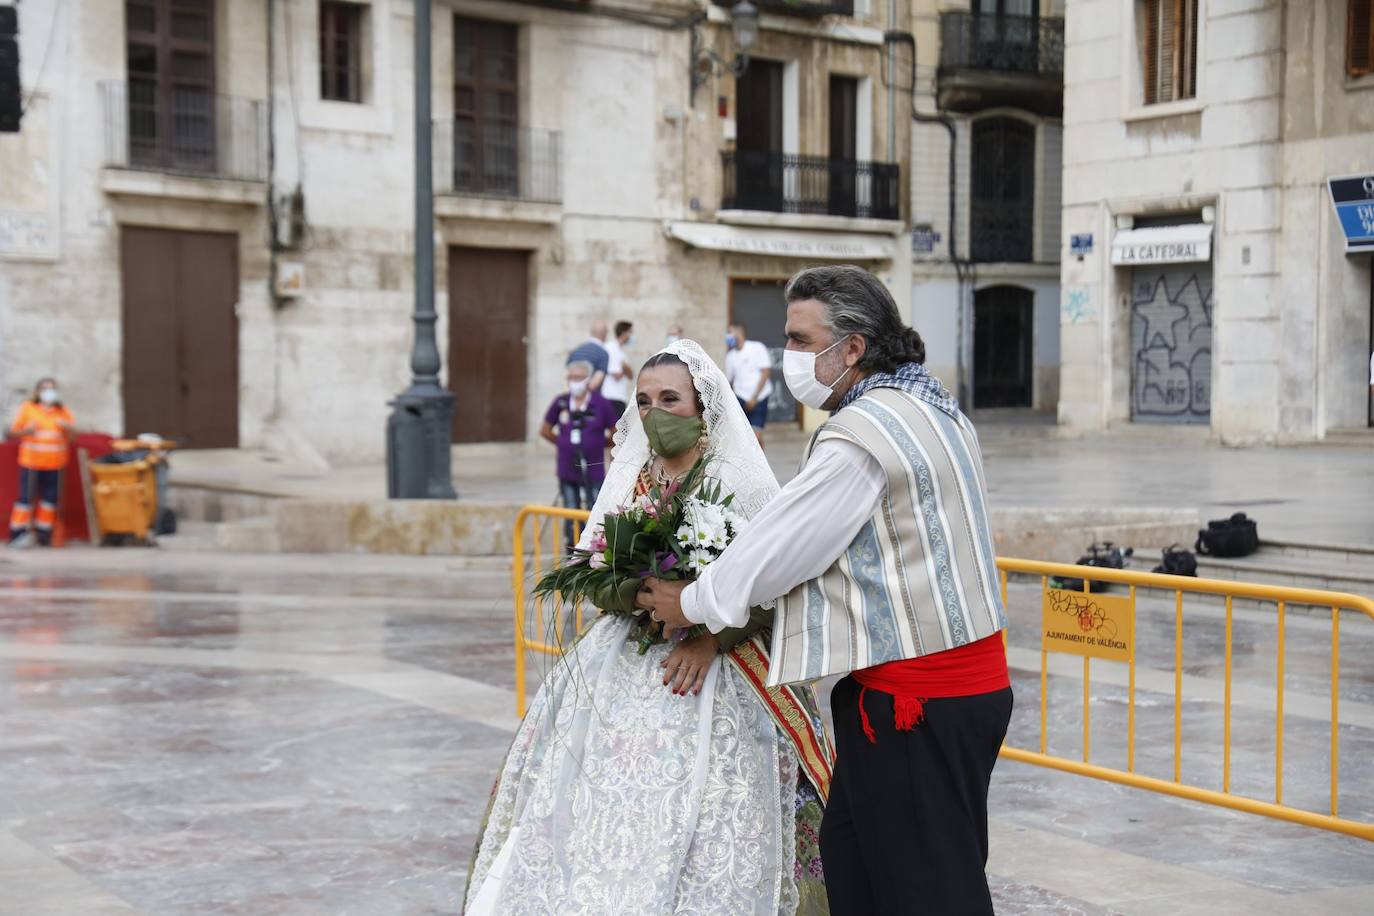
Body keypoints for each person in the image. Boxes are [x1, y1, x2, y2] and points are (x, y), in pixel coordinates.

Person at [644, 266, 1011, 916]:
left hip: (915, 702)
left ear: (852, 348)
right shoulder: (934, 406)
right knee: (858, 866)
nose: (790, 355)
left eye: (799, 338)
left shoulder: (861, 437)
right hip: (951, 689)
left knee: (929, 889)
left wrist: (693, 600)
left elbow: (784, 544)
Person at [465, 340, 833, 916]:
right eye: (643, 400)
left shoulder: (737, 479)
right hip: (628, 657)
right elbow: (590, 569)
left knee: (718, 812)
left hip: (725, 664)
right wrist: (644, 594)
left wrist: (709, 633)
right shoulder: (631, 475)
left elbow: (778, 580)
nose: (655, 412)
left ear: (703, 405)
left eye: (670, 399)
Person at [540, 361, 618, 548]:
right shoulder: (561, 402)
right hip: (567, 468)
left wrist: (601, 444)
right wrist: (562, 443)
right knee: (570, 510)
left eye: (579, 378)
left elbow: (616, 431)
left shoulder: (601, 403)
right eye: (571, 378)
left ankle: (594, 549)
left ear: (588, 380)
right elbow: (545, 429)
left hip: (593, 468)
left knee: (595, 510)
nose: (574, 382)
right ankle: (572, 548)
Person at [7, 378, 76, 548]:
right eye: (45, 389)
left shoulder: (62, 411)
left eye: (52, 389)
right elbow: (13, 432)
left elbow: (73, 437)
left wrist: (68, 428)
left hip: (55, 463)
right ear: (38, 391)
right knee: (25, 499)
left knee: (49, 500)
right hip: (31, 461)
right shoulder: (28, 408)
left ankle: (44, 534)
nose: (49, 392)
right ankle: (17, 533)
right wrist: (27, 430)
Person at [724, 322, 773, 447]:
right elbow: (729, 381)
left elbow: (765, 372)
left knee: (756, 437)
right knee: (742, 438)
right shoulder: (730, 356)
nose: (728, 335)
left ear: (740, 333)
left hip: (759, 398)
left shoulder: (757, 348)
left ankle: (760, 464)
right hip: (740, 398)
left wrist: (754, 398)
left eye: (730, 332)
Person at [601, 320, 635, 417]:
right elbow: (617, 374)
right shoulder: (610, 348)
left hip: (620, 397)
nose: (632, 335)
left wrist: (625, 368)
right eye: (630, 332)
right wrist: (625, 369)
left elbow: (630, 375)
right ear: (624, 333)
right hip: (611, 396)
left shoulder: (622, 353)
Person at [566, 321, 611, 391]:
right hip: (591, 399)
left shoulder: (576, 351)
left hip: (573, 396)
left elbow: (567, 378)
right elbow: (596, 382)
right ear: (604, 334)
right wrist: (583, 397)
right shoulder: (603, 353)